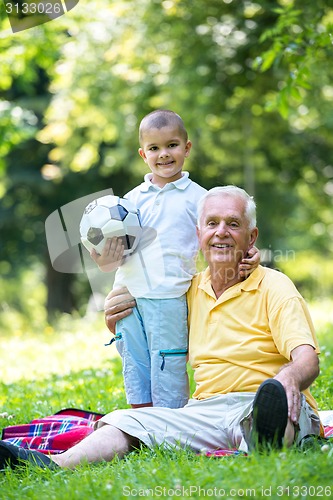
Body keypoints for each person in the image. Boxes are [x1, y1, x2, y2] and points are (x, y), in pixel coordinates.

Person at [0, 185, 321, 471]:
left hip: (262, 401)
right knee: (123, 421)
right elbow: (152, 337)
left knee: (276, 415)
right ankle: (50, 464)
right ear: (199, 235)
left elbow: (307, 360)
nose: (221, 232)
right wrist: (118, 322)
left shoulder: (274, 286)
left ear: (251, 237)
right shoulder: (184, 291)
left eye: (233, 224)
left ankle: (267, 436)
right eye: (212, 224)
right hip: (203, 412)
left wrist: (286, 380)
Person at [90, 110, 259, 409]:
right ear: (143, 154)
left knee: (168, 361)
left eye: (172, 145)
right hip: (127, 295)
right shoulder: (129, 201)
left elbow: (222, 236)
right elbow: (111, 257)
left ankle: (170, 423)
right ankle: (141, 422)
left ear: (187, 148)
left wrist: (249, 254)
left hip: (169, 296)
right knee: (135, 363)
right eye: (154, 148)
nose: (163, 154)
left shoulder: (201, 199)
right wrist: (102, 257)